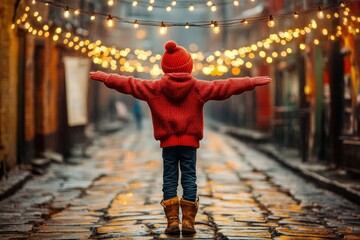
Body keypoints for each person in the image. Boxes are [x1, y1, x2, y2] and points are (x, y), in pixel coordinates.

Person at [89, 40, 271, 235]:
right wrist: (250, 82)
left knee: (169, 180)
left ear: (164, 67)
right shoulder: (198, 88)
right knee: (189, 179)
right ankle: (189, 223)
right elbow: (225, 87)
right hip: (189, 145)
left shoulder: (154, 88)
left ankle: (172, 222)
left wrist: (106, 77)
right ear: (189, 66)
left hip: (168, 144)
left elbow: (129, 84)